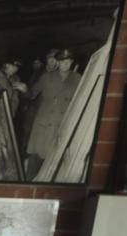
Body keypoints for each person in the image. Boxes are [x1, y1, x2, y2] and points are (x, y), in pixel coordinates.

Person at [24, 48, 81, 178]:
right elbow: (32, 94)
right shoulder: (47, 77)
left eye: (68, 61)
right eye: (62, 61)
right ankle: (29, 182)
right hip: (44, 123)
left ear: (71, 62)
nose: (64, 64)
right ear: (57, 63)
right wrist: (25, 90)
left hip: (62, 123)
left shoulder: (78, 78)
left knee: (55, 158)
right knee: (36, 156)